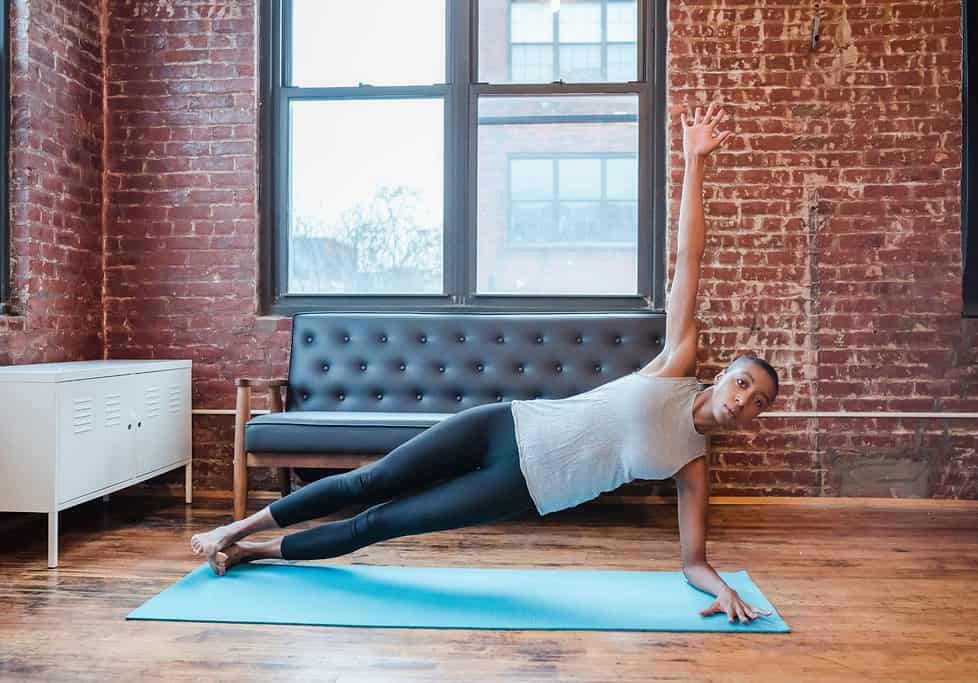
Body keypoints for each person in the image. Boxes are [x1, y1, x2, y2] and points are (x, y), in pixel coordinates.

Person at [191, 102, 779, 625]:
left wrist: (722, 589)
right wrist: (697, 162)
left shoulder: (693, 466)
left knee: (382, 523)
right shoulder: (674, 365)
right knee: (369, 481)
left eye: (757, 404)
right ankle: (234, 529)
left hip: (522, 487)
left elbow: (693, 562)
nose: (743, 401)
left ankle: (254, 553)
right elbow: (687, 258)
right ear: (725, 371)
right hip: (508, 424)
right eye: (744, 383)